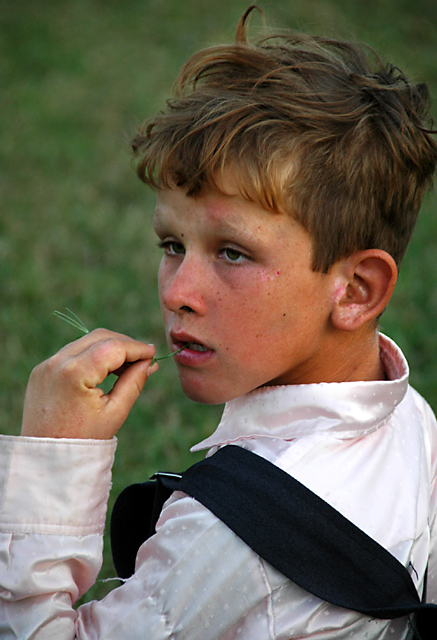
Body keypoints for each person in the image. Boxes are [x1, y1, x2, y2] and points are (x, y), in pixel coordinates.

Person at [1, 5, 437, 639]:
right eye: (172, 245)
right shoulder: (408, 416)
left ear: (355, 291)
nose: (178, 292)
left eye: (233, 253)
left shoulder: (230, 546)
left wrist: (54, 457)